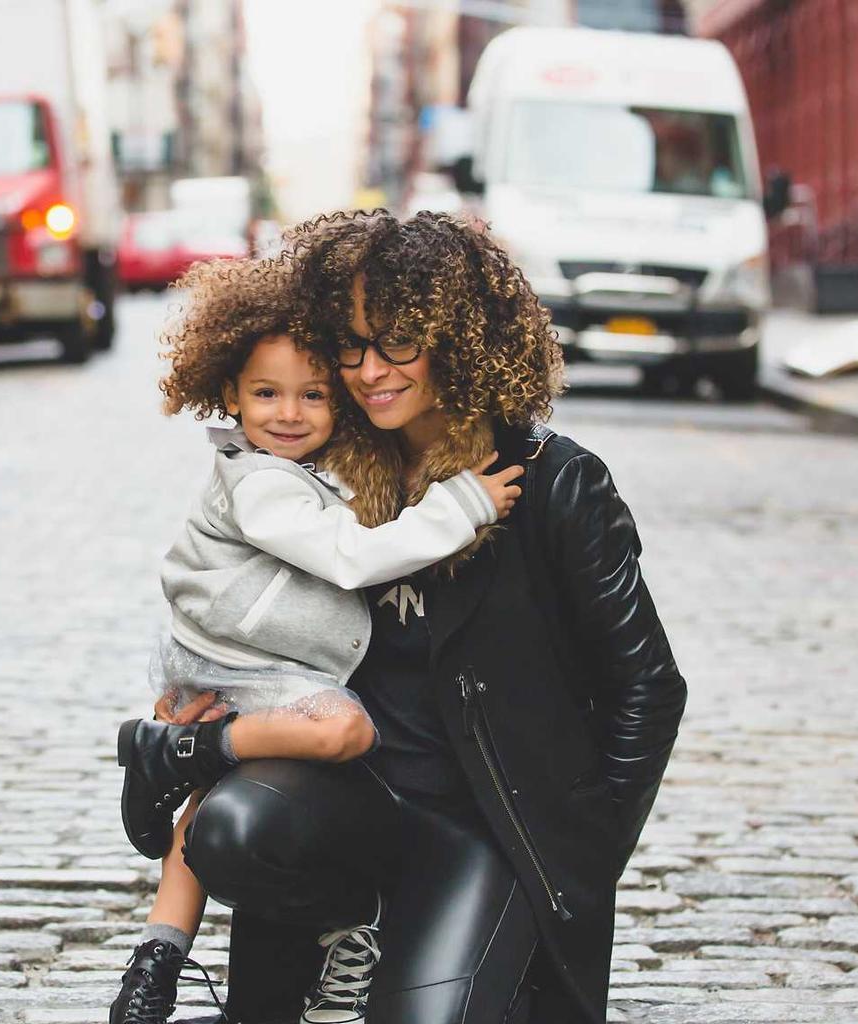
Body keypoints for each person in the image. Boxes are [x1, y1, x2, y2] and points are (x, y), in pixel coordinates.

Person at [178, 210, 689, 1024]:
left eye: (397, 342)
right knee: (232, 830)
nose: (369, 370)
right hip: (354, 801)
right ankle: (351, 935)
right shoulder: (323, 473)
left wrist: (577, 860)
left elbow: (648, 690)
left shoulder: (554, 484)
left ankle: (475, 960)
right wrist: (201, 702)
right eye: (349, 343)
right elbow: (237, 603)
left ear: (457, 337)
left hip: (487, 829)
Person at [110, 256, 526, 1024]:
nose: (291, 413)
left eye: (313, 395)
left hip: (239, 661)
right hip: (250, 666)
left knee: (210, 798)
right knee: (344, 729)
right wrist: (464, 501)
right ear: (228, 395)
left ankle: (159, 954)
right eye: (267, 394)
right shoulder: (261, 480)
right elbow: (351, 555)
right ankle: (186, 763)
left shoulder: (306, 468)